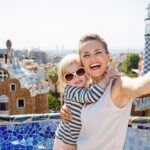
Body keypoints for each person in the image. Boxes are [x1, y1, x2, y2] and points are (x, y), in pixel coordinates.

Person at [60, 34, 150, 150]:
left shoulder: (118, 85)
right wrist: (66, 108)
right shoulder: (87, 87)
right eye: (86, 55)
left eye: (97, 52)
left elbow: (139, 87)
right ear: (82, 63)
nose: (92, 59)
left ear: (108, 56)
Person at [53, 54, 120, 150]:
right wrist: (106, 78)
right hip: (64, 141)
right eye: (69, 76)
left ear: (86, 72)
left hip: (76, 141)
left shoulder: (87, 87)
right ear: (65, 81)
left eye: (80, 71)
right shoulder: (70, 90)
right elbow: (91, 96)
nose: (76, 77)